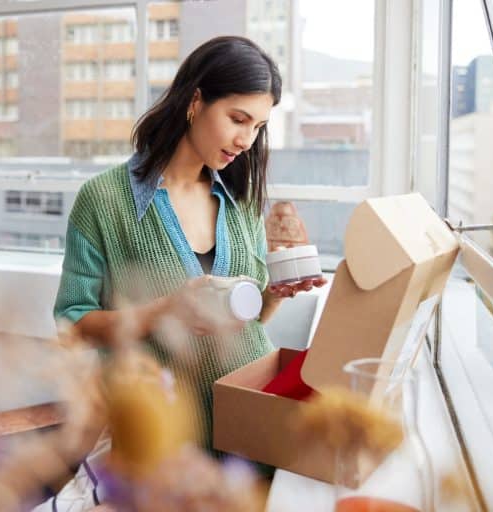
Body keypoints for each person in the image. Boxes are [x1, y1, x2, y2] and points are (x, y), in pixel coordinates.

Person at [54, 36, 325, 454]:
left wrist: (273, 295)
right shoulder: (104, 201)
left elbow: (246, 325)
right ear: (195, 101)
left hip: (249, 425)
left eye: (258, 127)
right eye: (238, 119)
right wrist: (163, 311)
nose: (247, 140)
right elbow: (73, 323)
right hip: (167, 438)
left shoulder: (241, 201)